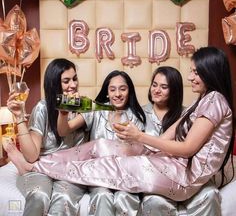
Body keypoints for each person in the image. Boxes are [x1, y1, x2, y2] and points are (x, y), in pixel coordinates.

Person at [5, 47, 235, 205]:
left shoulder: (213, 100)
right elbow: (169, 135)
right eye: (112, 89)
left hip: (183, 175)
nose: (191, 76)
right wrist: (143, 143)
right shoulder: (202, 100)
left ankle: (35, 167)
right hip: (171, 161)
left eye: (196, 71)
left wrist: (140, 138)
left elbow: (187, 149)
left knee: (112, 165)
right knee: (103, 145)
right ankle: (39, 164)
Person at [56, 70, 146, 216]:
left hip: (125, 176)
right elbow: (64, 130)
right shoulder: (96, 110)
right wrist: (63, 114)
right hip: (98, 176)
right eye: (112, 89)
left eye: (123, 89)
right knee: (102, 195)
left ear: (129, 91)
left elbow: (139, 154)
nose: (117, 94)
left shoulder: (137, 117)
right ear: (107, 92)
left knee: (125, 197)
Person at [6, 59, 88, 216]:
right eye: (66, 80)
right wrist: (19, 117)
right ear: (54, 84)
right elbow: (32, 155)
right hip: (43, 169)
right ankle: (22, 164)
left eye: (75, 79)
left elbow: (66, 130)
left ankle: (21, 164)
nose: (73, 84)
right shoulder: (43, 108)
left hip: (70, 171)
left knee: (62, 200)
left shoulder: (83, 106)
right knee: (38, 198)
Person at [137, 66, 221, 216]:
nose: (156, 90)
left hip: (187, 174)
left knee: (210, 194)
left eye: (164, 87)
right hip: (156, 177)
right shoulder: (138, 114)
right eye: (154, 85)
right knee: (154, 201)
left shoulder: (190, 114)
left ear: (174, 90)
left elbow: (193, 148)